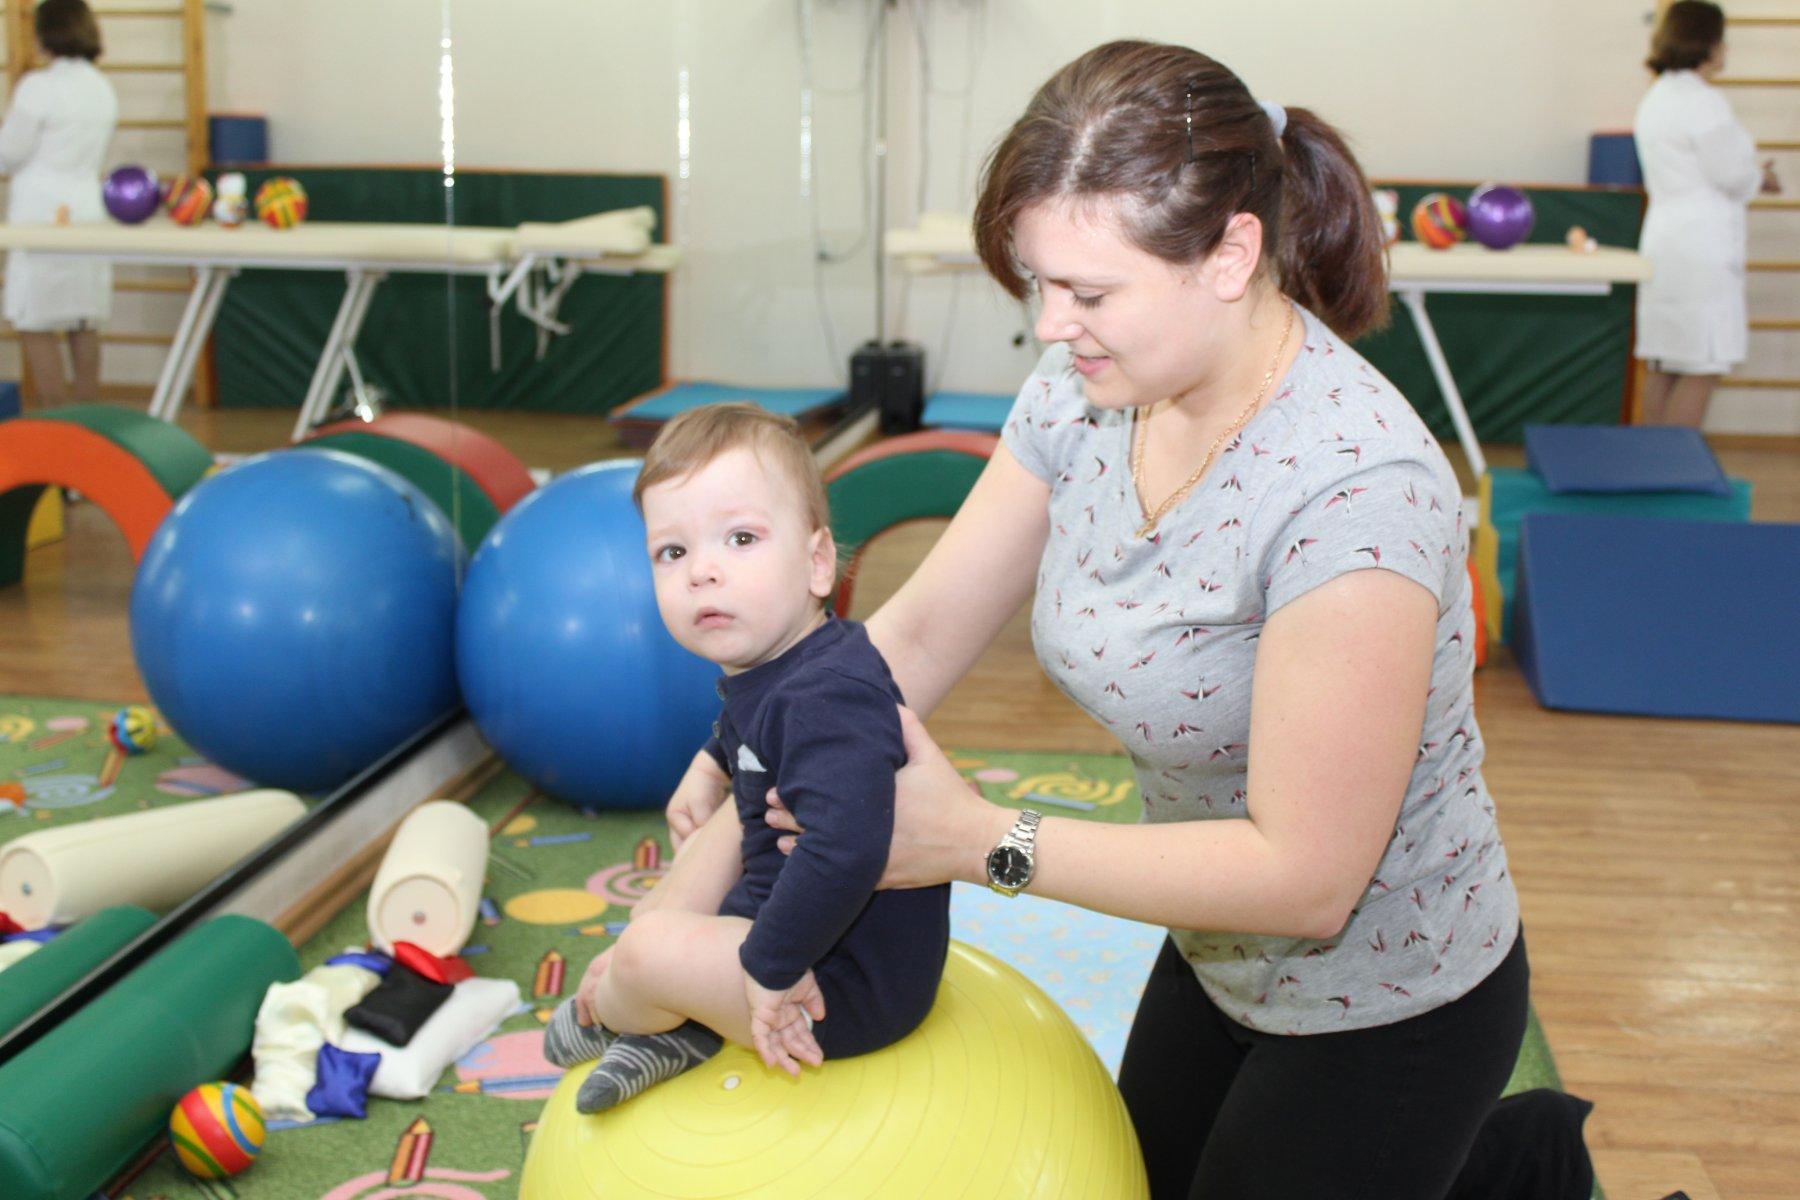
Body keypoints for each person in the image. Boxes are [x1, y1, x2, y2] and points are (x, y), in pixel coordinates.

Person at [667, 41, 1593, 1200]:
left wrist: (979, 843)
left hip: (1395, 995)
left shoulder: (1357, 492)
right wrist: (744, 768)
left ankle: (1525, 1168)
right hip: (1212, 951)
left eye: (1090, 292)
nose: (1053, 325)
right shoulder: (1084, 390)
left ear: (1230, 254)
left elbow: (1308, 875)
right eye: (1038, 282)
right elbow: (909, 642)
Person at [540, 402, 951, 1114]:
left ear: (817, 561)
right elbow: (749, 725)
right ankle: (676, 1018)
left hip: (835, 988)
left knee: (640, 956)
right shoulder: (787, 664)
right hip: (791, 923)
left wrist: (768, 968)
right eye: (674, 552)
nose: (703, 571)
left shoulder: (825, 694)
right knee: (666, 905)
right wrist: (711, 762)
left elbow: (848, 847)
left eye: (740, 538)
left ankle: (617, 1009)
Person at [1634, 1, 1782, 427]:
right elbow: (1731, 173)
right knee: (1702, 363)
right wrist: (1761, 177)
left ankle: (1652, 465)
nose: (1725, 49)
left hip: (1665, 239)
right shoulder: (1703, 102)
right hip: (1702, 246)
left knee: (1666, 360)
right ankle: (1675, 471)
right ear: (1707, 44)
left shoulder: (1657, 96)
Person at [0, 0, 116, 409]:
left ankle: (57, 426)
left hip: (40, 214)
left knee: (35, 321)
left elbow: (9, 154)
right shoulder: (101, 87)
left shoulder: (39, 86)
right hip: (86, 209)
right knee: (84, 320)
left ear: (44, 34)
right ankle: (89, 421)